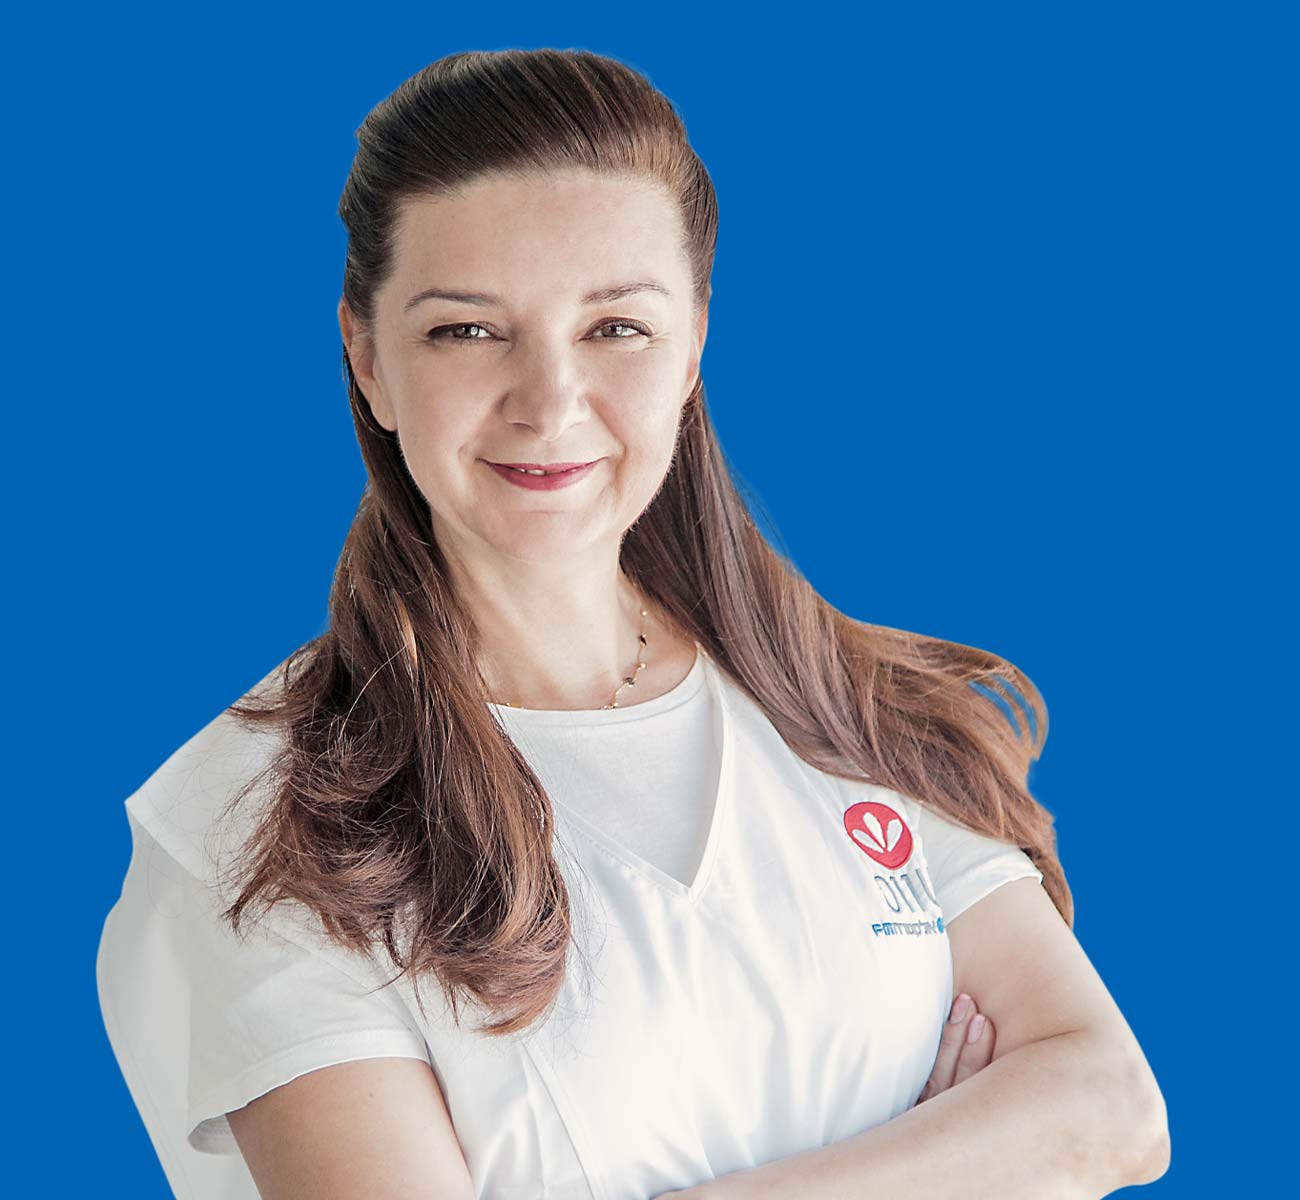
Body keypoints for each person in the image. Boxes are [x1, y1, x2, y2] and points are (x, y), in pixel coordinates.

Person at [96, 48, 1168, 1200]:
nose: (549, 403)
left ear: (694, 340)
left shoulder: (840, 703)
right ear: (366, 357)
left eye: (615, 328)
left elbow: (1111, 1109)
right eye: (467, 330)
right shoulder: (267, 820)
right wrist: (952, 1155)